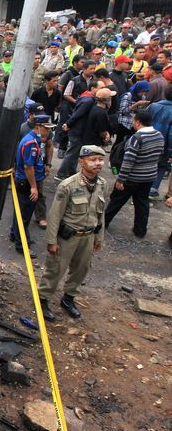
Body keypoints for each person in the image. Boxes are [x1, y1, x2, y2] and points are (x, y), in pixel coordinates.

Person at [39, 145, 108, 321]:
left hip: (88, 236)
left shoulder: (102, 185)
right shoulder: (68, 185)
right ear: (81, 162)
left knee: (80, 270)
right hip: (67, 238)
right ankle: (43, 299)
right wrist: (51, 241)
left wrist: (99, 237)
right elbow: (55, 215)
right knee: (55, 269)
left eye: (100, 160)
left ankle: (68, 299)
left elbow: (101, 214)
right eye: (92, 160)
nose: (97, 163)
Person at [105, 109, 165, 238]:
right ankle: (140, 230)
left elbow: (128, 161)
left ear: (138, 122)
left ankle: (102, 224)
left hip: (132, 178)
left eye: (133, 120)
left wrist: (120, 180)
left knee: (116, 201)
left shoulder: (136, 138)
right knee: (142, 204)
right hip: (149, 177)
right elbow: (159, 155)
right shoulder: (159, 135)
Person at [11, 114, 55, 258]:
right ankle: (22, 245)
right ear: (38, 127)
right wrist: (34, 187)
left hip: (24, 180)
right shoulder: (31, 143)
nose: (48, 132)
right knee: (24, 216)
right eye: (46, 129)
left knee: (20, 212)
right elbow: (28, 167)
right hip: (26, 182)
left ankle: (15, 235)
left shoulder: (34, 140)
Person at [148, 86, 172, 199]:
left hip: (147, 139)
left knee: (145, 161)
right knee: (161, 166)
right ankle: (153, 190)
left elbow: (143, 120)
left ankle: (141, 188)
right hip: (164, 144)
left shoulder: (153, 106)